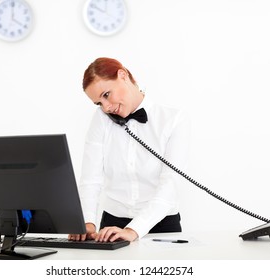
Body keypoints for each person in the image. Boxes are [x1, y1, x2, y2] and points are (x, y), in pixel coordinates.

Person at [69, 57, 190, 242]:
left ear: (123, 75)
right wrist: (87, 223)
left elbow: (170, 185)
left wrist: (134, 230)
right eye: (99, 103)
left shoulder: (173, 120)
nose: (106, 107)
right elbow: (90, 179)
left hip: (162, 223)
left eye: (106, 95)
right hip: (111, 224)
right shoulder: (101, 119)